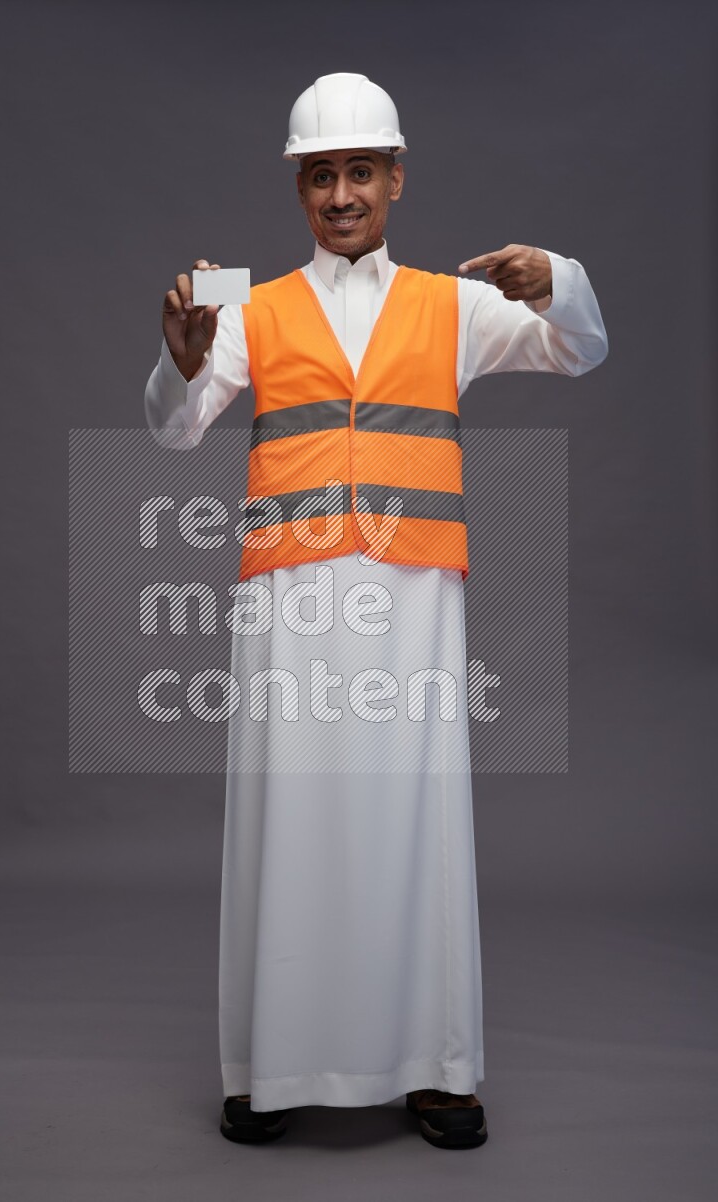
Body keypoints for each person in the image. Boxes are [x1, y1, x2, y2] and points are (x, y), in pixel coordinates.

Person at [143, 72, 608, 1150]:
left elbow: (576, 349)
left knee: (415, 818)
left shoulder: (457, 305)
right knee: (284, 810)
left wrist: (558, 280)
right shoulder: (248, 311)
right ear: (298, 189)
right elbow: (172, 429)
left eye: (359, 171)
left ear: (395, 178)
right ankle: (268, 1063)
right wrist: (177, 369)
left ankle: (436, 1068)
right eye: (320, 175)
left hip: (410, 596)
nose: (341, 193)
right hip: (289, 596)